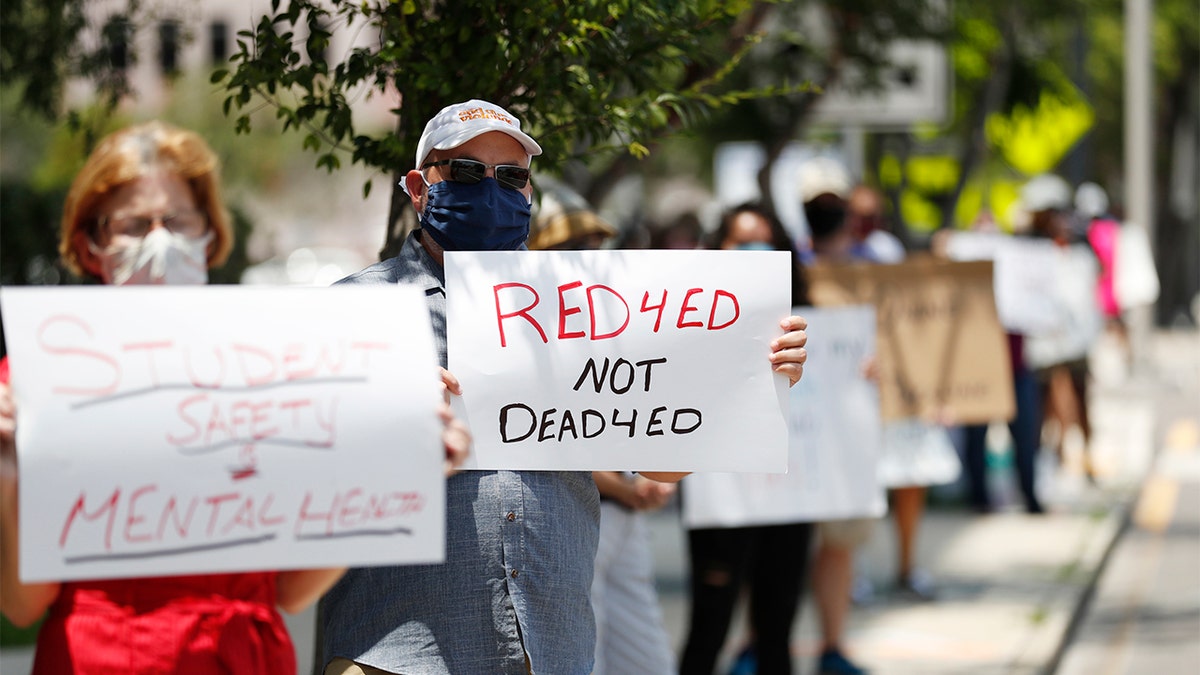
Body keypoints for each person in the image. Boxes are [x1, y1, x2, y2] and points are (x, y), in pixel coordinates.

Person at [316, 99, 811, 675]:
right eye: (467, 171)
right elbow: (302, 469)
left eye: (510, 176)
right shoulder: (353, 309)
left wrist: (748, 375)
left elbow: (659, 461)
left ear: (529, 192)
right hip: (396, 653)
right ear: (419, 186)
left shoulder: (589, 307)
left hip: (544, 647)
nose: (490, 189)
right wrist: (379, 402)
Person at [0, 120, 472, 673]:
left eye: (177, 219)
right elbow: (22, 602)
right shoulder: (38, 380)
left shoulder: (263, 369)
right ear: (91, 242)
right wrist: (8, 476)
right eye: (133, 224)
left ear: (208, 233)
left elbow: (292, 591)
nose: (160, 239)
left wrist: (395, 471)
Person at [529, 178, 678, 675]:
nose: (590, 253)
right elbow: (545, 436)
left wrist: (650, 478)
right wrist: (629, 486)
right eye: (572, 245)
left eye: (593, 242)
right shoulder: (529, 335)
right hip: (577, 518)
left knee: (647, 657)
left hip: (623, 516)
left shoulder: (611, 318)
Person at [678, 203, 815, 675]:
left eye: (765, 241)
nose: (755, 252)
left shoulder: (806, 323)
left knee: (778, 624)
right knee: (710, 622)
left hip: (788, 494)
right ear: (719, 248)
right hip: (722, 497)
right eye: (741, 240)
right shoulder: (691, 316)